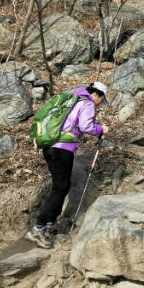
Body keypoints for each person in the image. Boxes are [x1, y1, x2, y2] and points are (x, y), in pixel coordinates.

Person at [26, 82, 109, 248]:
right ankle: (38, 228)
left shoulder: (72, 100)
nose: (100, 103)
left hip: (50, 147)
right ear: (97, 95)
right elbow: (86, 126)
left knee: (61, 186)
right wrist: (101, 129)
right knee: (60, 187)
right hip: (63, 148)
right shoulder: (87, 103)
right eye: (102, 99)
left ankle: (49, 224)